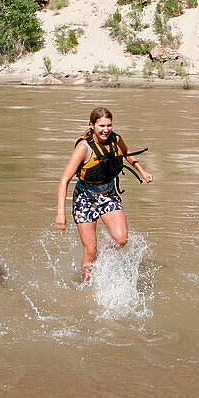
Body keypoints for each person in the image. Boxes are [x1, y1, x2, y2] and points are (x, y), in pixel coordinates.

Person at [55, 107, 153, 283]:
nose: (106, 129)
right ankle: (87, 286)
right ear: (92, 125)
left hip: (108, 194)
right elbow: (64, 180)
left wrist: (143, 171)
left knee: (121, 239)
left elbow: (128, 154)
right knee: (90, 251)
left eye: (109, 125)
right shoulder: (83, 148)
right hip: (85, 198)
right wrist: (60, 214)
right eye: (101, 125)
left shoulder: (116, 139)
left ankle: (104, 261)